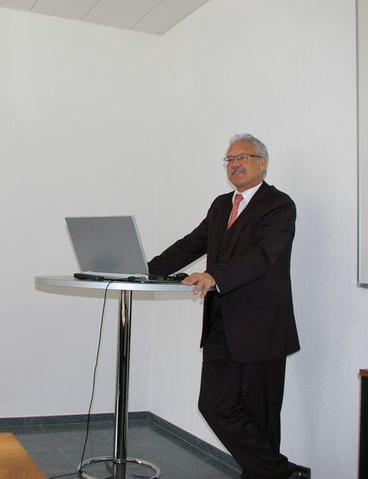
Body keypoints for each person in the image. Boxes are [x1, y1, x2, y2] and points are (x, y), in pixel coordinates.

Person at [148, 134, 308, 479]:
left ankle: (264, 475)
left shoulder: (279, 205)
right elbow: (191, 244)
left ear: (262, 163)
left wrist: (213, 275)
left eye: (243, 158)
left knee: (261, 414)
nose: (234, 164)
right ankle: (283, 473)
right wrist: (144, 269)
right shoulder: (221, 205)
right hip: (220, 324)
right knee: (214, 405)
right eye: (229, 160)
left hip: (262, 325)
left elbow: (263, 255)